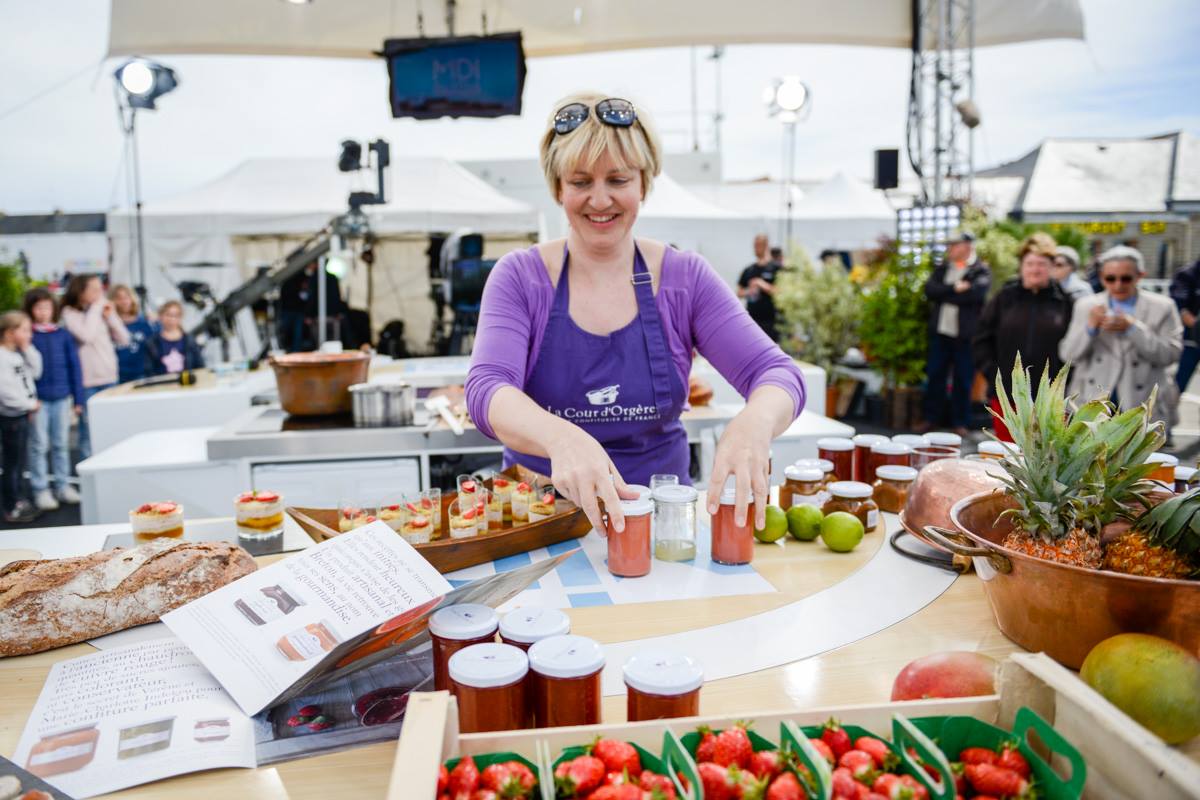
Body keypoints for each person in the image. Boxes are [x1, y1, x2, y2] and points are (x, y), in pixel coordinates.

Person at [465, 92, 806, 535]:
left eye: (618, 179)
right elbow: (487, 389)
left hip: (663, 527)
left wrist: (755, 422)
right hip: (539, 521)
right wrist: (562, 438)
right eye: (581, 181)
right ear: (558, 189)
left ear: (644, 183)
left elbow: (776, 372)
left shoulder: (686, 279)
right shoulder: (521, 277)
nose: (600, 199)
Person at [1060, 245, 1183, 426]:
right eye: (1110, 278)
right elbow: (1068, 355)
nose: (1117, 285)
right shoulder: (1086, 305)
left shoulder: (1163, 306)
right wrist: (1090, 328)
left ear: (1140, 276)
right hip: (1093, 401)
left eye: (1126, 278)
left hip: (1142, 402)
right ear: (1102, 278)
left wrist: (1133, 328)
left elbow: (1171, 354)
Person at [973, 234, 1073, 441]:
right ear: (1021, 267)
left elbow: (1077, 347)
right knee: (1008, 455)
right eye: (1030, 264)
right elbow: (980, 338)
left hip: (1051, 398)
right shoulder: (1005, 298)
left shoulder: (1065, 303)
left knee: (1047, 456)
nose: (1035, 269)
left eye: (1042, 264)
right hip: (1007, 395)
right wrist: (993, 373)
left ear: (1052, 268)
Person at [920, 231, 991, 435]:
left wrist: (946, 294)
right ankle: (931, 418)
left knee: (963, 378)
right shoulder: (943, 268)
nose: (949, 249)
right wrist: (954, 289)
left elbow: (976, 294)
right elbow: (930, 291)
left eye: (954, 245)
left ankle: (960, 421)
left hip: (965, 336)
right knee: (935, 375)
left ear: (967, 246)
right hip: (941, 333)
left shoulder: (979, 270)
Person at [24, 288, 85, 511]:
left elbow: (75, 367)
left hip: (62, 398)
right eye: (38, 308)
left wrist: (78, 399)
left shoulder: (63, 334)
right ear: (31, 310)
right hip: (38, 401)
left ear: (53, 309)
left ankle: (63, 485)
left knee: (61, 444)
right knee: (39, 445)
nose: (43, 312)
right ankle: (40, 489)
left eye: (47, 307)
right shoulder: (27, 335)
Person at [60, 274, 130, 461]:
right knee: (89, 431)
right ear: (81, 291)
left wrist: (111, 316)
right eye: (95, 289)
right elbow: (87, 335)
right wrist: (96, 308)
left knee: (112, 428)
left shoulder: (99, 311)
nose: (100, 294)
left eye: (101, 289)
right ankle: (89, 475)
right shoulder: (70, 313)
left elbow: (124, 338)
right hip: (87, 381)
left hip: (110, 377)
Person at [0, 311, 42, 522]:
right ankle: (11, 506)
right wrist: (29, 404)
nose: (29, 335)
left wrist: (28, 348)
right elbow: (6, 392)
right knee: (12, 463)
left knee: (19, 462)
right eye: (24, 330)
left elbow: (36, 372)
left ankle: (18, 499)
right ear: (9, 333)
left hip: (23, 415)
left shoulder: (17, 354)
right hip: (12, 418)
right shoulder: (2, 357)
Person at [737, 234, 780, 341]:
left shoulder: (775, 268)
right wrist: (749, 291)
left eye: (758, 245)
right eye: (754, 245)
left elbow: (781, 292)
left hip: (770, 321)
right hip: (752, 321)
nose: (755, 248)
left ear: (766, 246)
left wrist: (761, 284)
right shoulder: (749, 270)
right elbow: (739, 292)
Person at [144, 300, 205, 375]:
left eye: (176, 315)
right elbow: (149, 371)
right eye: (168, 315)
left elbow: (200, 366)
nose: (172, 319)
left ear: (181, 318)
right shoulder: (152, 342)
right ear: (160, 316)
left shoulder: (189, 340)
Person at [110, 284, 155, 384]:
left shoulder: (144, 322)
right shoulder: (109, 324)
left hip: (141, 373)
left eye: (126, 297)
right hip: (117, 375)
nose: (123, 301)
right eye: (119, 298)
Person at [1168, 256, 1200, 393]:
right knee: (1176, 386)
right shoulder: (1187, 274)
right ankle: (1165, 413)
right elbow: (1179, 309)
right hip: (1189, 341)